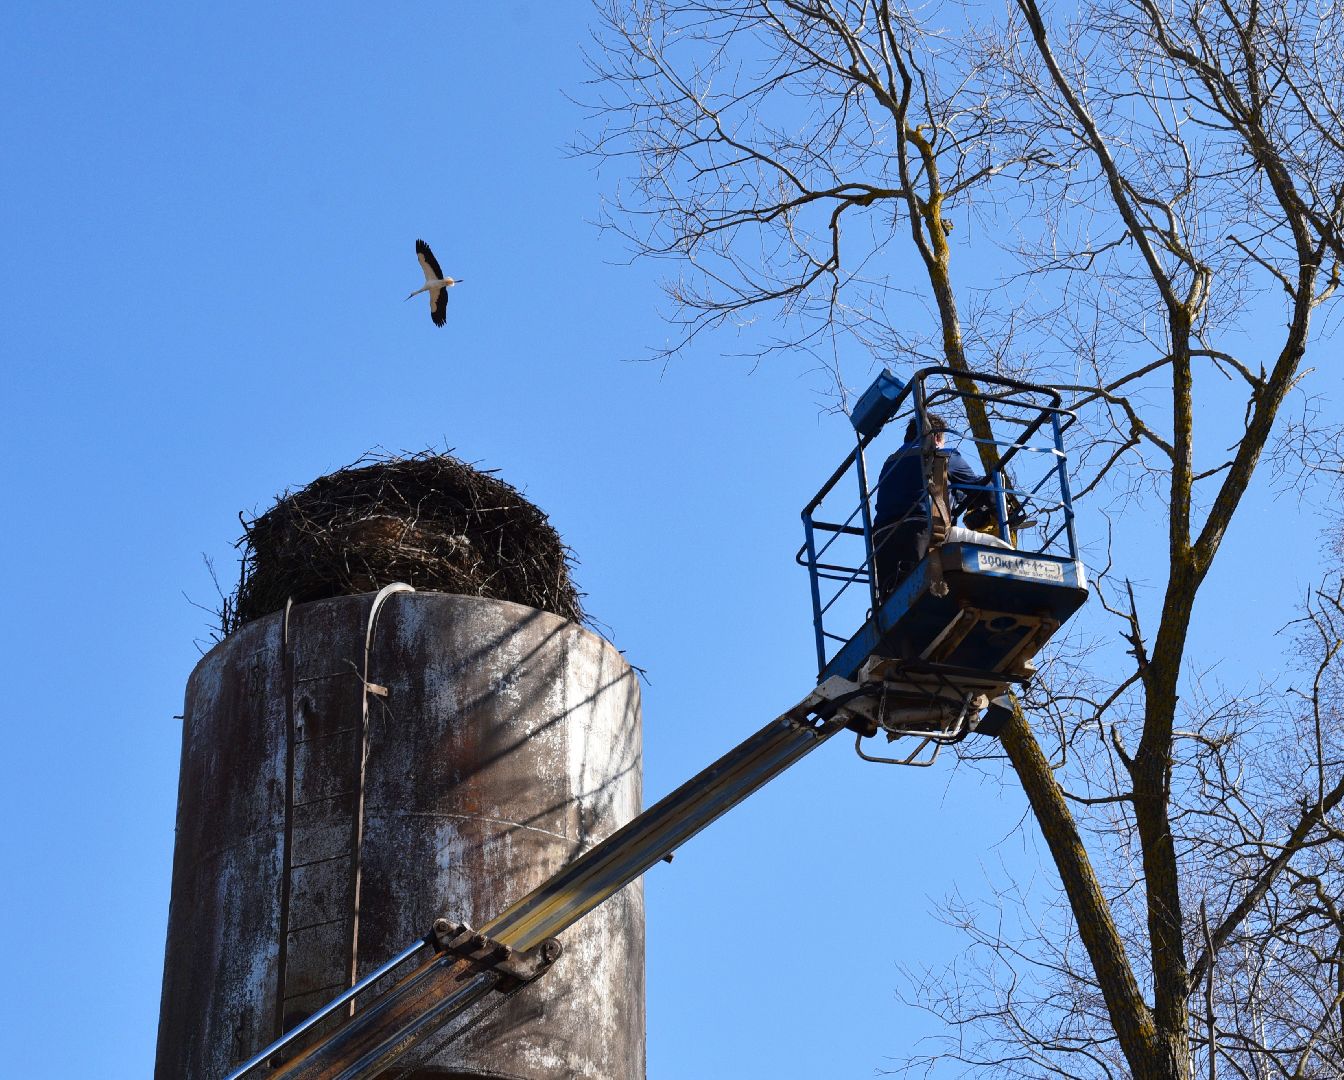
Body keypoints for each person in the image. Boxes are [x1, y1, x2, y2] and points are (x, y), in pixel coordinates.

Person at [871, 412, 1012, 595]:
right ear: (937, 437)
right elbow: (981, 489)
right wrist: (1004, 507)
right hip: (924, 531)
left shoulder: (889, 464)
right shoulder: (942, 454)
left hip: (884, 543)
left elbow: (922, 490)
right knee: (1001, 551)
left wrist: (961, 497)